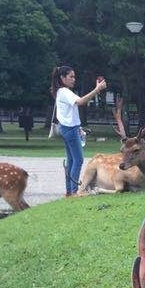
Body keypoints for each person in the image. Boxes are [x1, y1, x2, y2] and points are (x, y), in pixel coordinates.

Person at [52, 66, 107, 196]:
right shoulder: (64, 92)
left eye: (74, 76)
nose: (73, 79)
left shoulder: (62, 92)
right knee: (78, 160)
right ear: (62, 78)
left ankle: (69, 191)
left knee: (71, 160)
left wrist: (78, 127)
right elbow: (81, 101)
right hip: (70, 130)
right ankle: (74, 191)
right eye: (70, 76)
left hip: (69, 129)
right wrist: (97, 89)